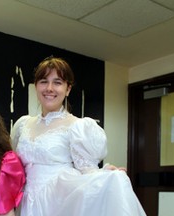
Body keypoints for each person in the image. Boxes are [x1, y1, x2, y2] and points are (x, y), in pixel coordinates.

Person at [11, 56, 146, 216]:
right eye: (43, 81)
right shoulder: (22, 124)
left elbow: (87, 171)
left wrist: (107, 175)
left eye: (57, 82)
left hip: (58, 202)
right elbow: (11, 164)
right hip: (23, 201)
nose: (49, 88)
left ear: (68, 89)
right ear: (36, 86)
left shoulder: (78, 126)